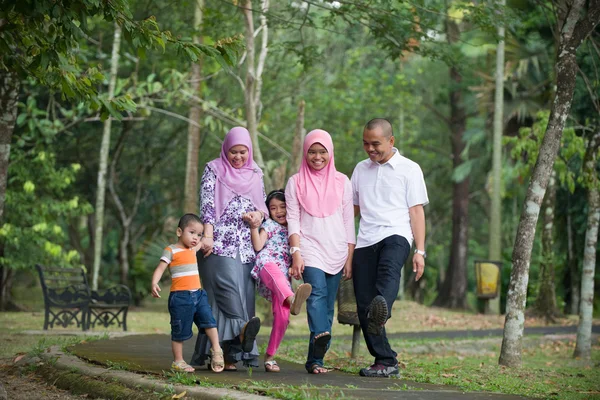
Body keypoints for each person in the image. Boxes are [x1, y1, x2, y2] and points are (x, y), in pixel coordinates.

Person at [351, 118, 428, 378]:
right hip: (365, 240)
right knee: (363, 305)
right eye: (365, 144)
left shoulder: (410, 169)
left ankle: (382, 308)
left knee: (387, 276)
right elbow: (353, 209)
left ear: (391, 141)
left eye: (376, 144)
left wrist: (420, 251)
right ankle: (385, 360)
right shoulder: (360, 169)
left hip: (396, 235)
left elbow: (416, 212)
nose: (370, 149)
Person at [190, 127, 265, 371]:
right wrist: (208, 235)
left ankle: (228, 355)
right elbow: (208, 204)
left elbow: (262, 206)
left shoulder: (255, 173)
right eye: (233, 152)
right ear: (226, 149)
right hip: (219, 243)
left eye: (243, 152)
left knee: (242, 297)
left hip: (246, 246)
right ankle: (242, 333)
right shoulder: (214, 169)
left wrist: (258, 215)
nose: (238, 157)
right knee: (226, 290)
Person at [285, 129, 356, 374]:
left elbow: (349, 221)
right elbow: (293, 219)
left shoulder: (342, 182)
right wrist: (296, 252)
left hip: (337, 249)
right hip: (309, 247)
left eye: (322, 151)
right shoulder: (295, 182)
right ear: (305, 153)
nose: (317, 157)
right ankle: (320, 340)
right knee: (315, 295)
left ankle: (315, 360)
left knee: (327, 307)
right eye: (312, 152)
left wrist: (349, 256)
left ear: (330, 153)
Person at [244, 189, 312, 373]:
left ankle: (270, 357)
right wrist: (253, 227)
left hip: (283, 277)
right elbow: (258, 246)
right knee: (278, 281)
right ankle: (292, 299)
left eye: (283, 206)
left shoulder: (294, 232)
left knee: (283, 317)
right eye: (273, 208)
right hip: (266, 265)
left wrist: (293, 267)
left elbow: (294, 256)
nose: (279, 211)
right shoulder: (270, 225)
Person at [150, 213, 224, 373]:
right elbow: (160, 268)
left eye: (199, 234)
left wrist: (209, 235)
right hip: (180, 297)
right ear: (179, 232)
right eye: (192, 233)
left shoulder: (193, 249)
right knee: (180, 330)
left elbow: (206, 240)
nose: (196, 238)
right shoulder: (171, 250)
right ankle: (178, 361)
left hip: (198, 294)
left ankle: (217, 350)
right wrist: (154, 282)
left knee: (209, 321)